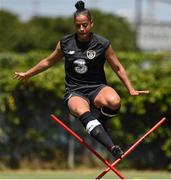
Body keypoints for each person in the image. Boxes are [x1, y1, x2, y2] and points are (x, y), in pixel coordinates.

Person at [14, 0, 149, 159]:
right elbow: (48, 61)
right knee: (80, 110)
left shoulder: (102, 43)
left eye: (85, 25)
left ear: (91, 23)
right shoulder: (65, 42)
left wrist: (130, 89)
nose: (81, 29)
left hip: (97, 88)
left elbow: (118, 67)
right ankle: (112, 148)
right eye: (78, 25)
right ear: (74, 25)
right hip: (75, 92)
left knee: (114, 101)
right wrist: (28, 73)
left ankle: (102, 122)